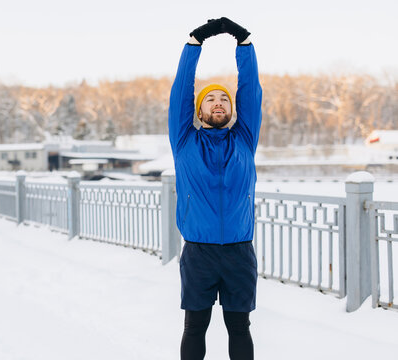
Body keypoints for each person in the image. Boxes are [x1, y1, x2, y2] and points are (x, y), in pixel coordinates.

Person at [168, 17, 262, 360]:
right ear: (200, 110)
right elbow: (181, 89)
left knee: (240, 328)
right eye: (211, 99)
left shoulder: (244, 140)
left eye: (225, 98)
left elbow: (250, 91)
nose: (219, 102)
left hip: (239, 250)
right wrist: (195, 43)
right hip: (199, 253)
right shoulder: (184, 142)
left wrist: (245, 44)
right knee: (194, 327)